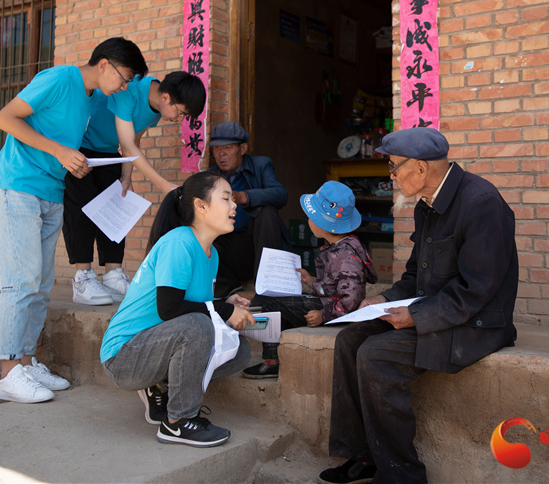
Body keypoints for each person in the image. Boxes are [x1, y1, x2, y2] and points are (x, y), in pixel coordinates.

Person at [319, 127, 518, 484]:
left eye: (394, 167)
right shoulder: (428, 205)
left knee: (376, 354)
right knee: (350, 340)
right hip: (437, 310)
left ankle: (401, 476)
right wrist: (382, 300)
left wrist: (416, 315)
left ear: (422, 169)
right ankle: (364, 457)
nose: (391, 177)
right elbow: (416, 276)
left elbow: (478, 289)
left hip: (475, 323)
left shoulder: (481, 202)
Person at [0, 37, 148, 404]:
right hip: (15, 187)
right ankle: (7, 373)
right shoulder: (59, 79)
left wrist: (73, 162)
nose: (123, 87)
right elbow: (4, 117)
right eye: (124, 78)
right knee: (21, 281)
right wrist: (60, 150)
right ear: (104, 63)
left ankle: (26, 363)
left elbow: (63, 142)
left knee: (41, 283)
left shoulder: (92, 99)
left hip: (49, 192)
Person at [100, 171, 255, 447]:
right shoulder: (180, 242)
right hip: (123, 356)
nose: (235, 205)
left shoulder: (212, 253)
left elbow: (196, 305)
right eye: (226, 198)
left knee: (239, 350)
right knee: (198, 326)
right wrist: (222, 310)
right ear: (201, 205)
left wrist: (226, 306)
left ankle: (160, 387)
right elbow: (170, 309)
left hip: (155, 346)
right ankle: (177, 422)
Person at [64, 71, 206, 306]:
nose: (178, 119)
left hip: (109, 153)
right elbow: (129, 145)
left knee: (114, 210)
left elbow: (134, 140)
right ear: (167, 97)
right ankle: (83, 278)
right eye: (180, 113)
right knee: (81, 211)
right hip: (80, 148)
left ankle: (112, 275)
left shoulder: (155, 110)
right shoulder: (129, 90)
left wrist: (126, 175)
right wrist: (163, 185)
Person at [242, 181, 377, 379]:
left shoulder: (346, 255)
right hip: (325, 303)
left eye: (310, 217)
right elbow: (333, 287)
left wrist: (324, 315)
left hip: (330, 312)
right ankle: (271, 349)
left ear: (323, 224)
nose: (307, 221)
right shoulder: (337, 247)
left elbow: (351, 298)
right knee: (265, 301)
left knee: (269, 305)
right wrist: (311, 280)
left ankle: (272, 361)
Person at [206, 121, 292, 298]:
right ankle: (226, 286)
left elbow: (280, 195)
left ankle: (267, 284)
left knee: (267, 213)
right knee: (203, 224)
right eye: (216, 149)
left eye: (228, 148)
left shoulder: (261, 165)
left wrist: (244, 197)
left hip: (257, 247)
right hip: (229, 250)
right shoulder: (210, 176)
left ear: (243, 149)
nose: (221, 154)